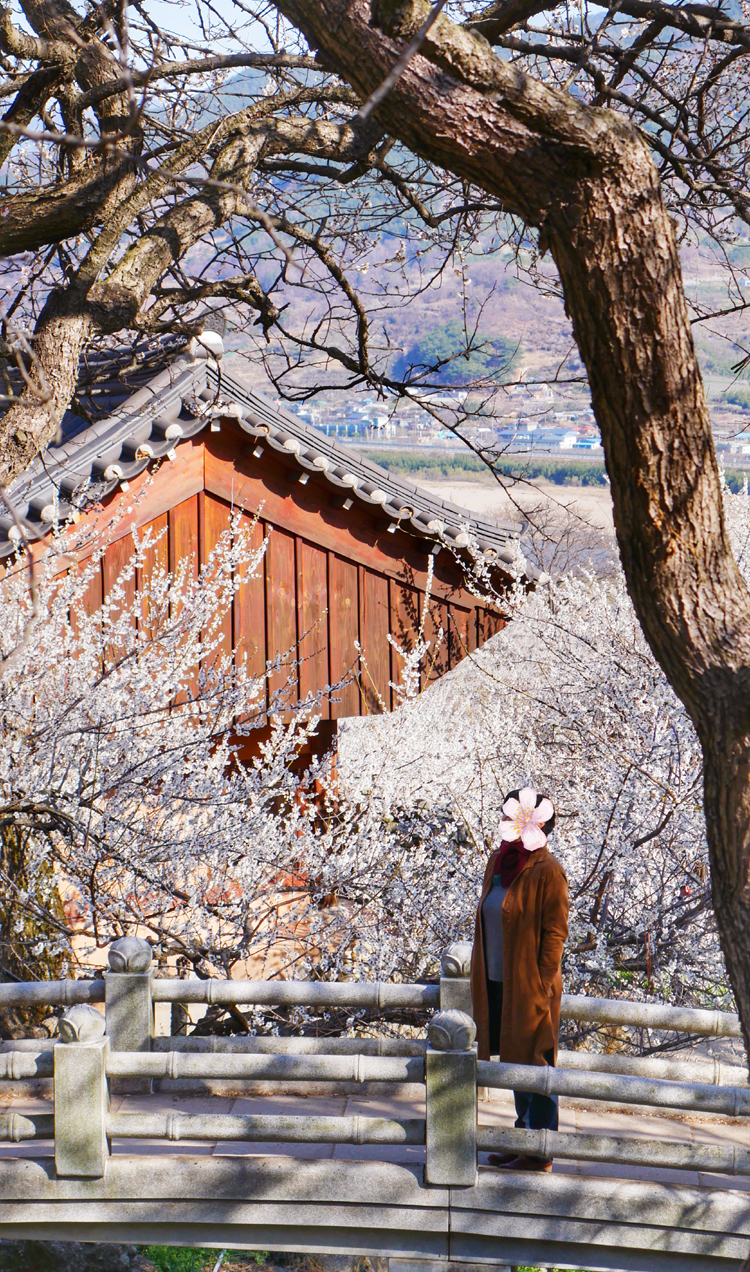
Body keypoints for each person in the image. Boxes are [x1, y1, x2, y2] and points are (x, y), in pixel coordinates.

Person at [470, 786, 569, 1173]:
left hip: (530, 984)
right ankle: (523, 1137)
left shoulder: (548, 872)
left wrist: (541, 987)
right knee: (514, 1055)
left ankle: (540, 1150)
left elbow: (555, 935)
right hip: (496, 978)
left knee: (536, 1060)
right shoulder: (499, 862)